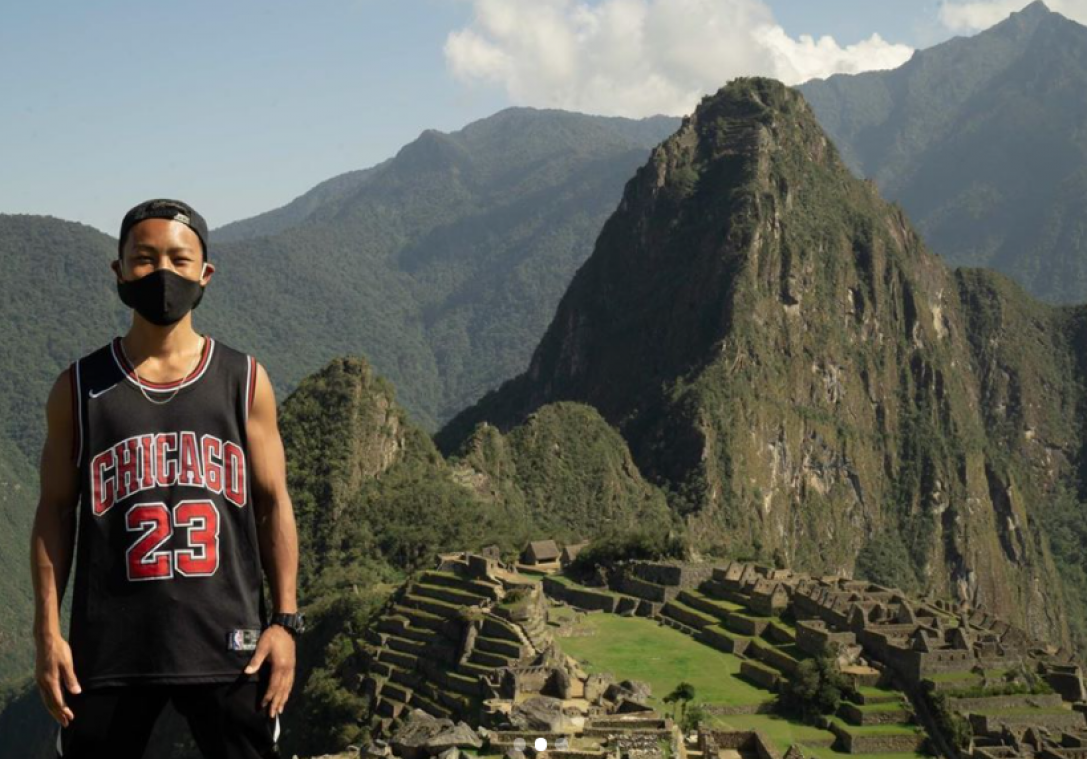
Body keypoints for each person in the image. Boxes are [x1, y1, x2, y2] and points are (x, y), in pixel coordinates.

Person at [29, 198, 305, 759]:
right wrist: (47, 632)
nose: (162, 274)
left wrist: (286, 622)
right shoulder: (79, 389)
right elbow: (54, 512)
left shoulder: (243, 381)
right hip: (108, 654)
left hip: (230, 647)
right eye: (144, 259)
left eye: (179, 261)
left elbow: (273, 503)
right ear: (119, 271)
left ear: (205, 274)